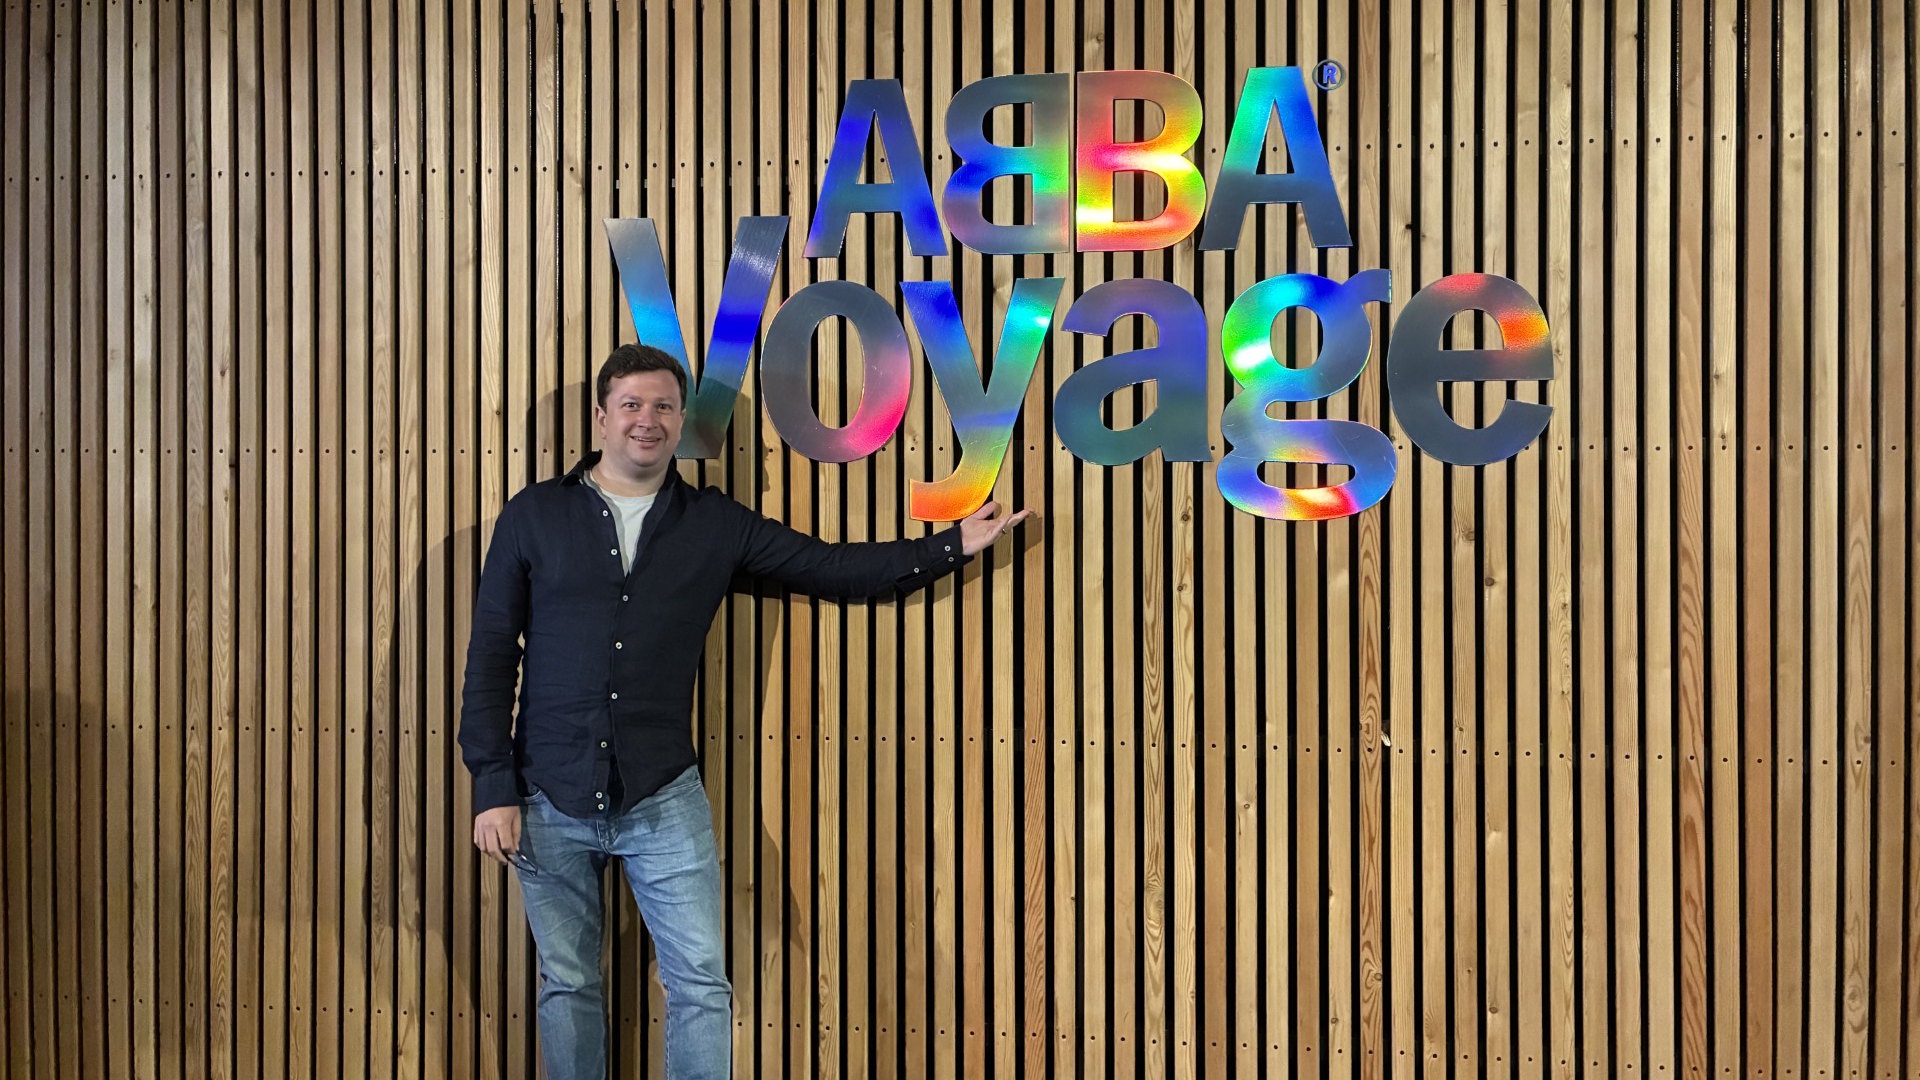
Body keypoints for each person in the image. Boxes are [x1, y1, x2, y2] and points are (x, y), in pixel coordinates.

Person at [458, 343, 1033, 1080]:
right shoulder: (535, 515)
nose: (648, 420)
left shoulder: (715, 524)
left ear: (680, 422)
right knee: (567, 983)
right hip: (545, 797)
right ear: (601, 417)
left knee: (700, 983)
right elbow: (490, 656)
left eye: (664, 406)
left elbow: (834, 569)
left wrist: (952, 545)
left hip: (664, 797)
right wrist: (493, 785)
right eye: (631, 405)